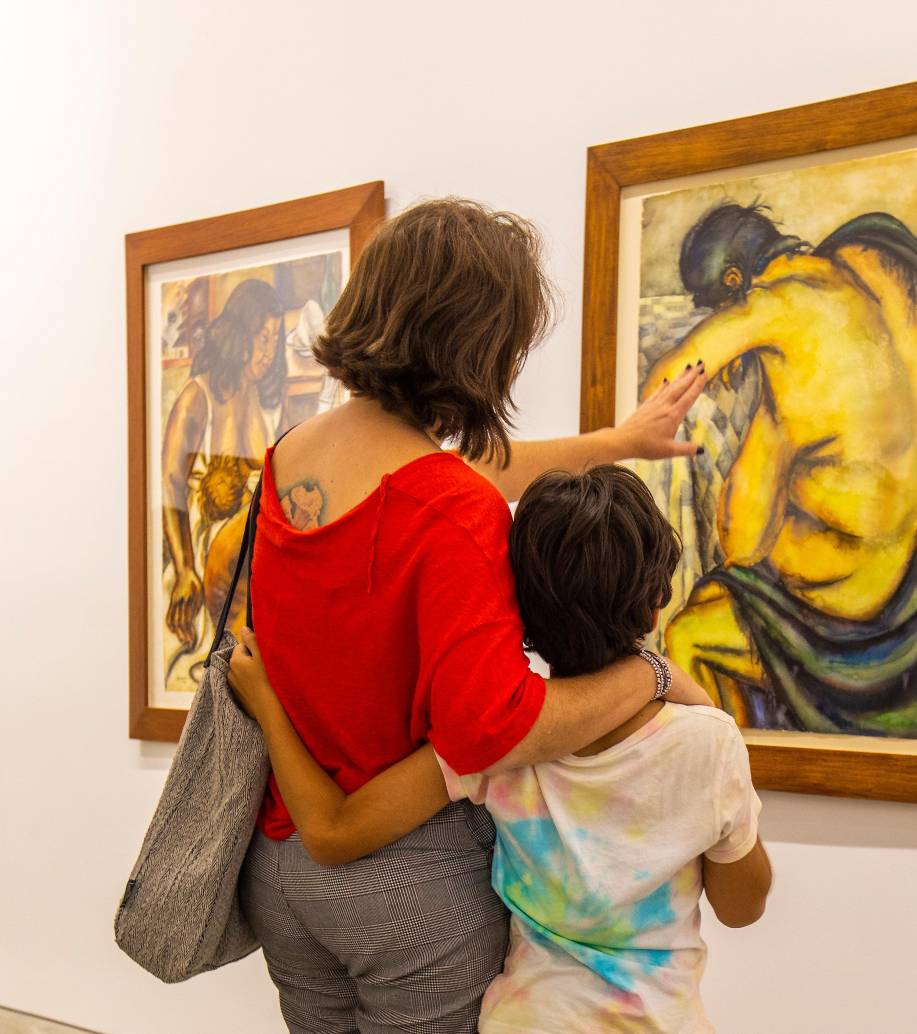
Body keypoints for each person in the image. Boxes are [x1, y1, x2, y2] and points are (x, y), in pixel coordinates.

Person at [230, 198, 713, 1034]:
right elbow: (494, 726)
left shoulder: (290, 459)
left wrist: (618, 440)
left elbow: (460, 474)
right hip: (403, 889)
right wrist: (649, 674)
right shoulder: (452, 507)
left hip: (284, 871)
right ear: (477, 341)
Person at [231, 464, 772, 1033]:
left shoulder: (498, 739)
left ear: (517, 609)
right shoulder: (706, 745)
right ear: (656, 605)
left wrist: (269, 703)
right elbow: (742, 908)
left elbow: (334, 831)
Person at [643, 204, 917, 735]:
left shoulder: (775, 302)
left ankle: (724, 793)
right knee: (719, 591)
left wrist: (736, 338)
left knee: (687, 633)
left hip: (846, 598)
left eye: (719, 307)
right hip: (908, 577)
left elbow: (664, 387)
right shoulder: (866, 267)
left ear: (735, 281)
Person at [161, 278, 287, 660]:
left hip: (249, 561)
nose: (269, 352)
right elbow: (169, 484)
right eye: (262, 338)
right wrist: (184, 568)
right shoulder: (197, 398)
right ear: (239, 333)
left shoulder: (269, 408)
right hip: (204, 549)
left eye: (275, 340)